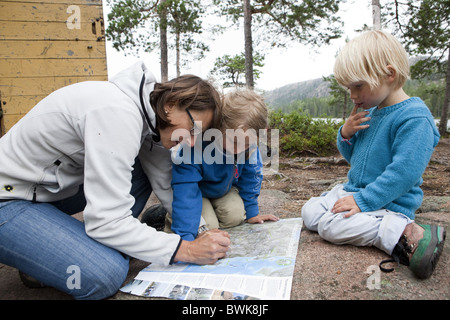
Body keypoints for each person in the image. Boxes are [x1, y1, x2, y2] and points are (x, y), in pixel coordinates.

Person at [0, 61, 230, 299]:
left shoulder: (152, 119)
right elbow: (105, 221)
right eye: (192, 129)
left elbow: (165, 182)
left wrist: (201, 230)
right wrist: (187, 250)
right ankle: (49, 253)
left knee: (143, 167)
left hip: (49, 190)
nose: (191, 142)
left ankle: (82, 243)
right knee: (106, 272)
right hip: (8, 198)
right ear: (171, 105)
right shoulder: (117, 112)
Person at [301, 30, 445, 279]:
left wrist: (363, 200)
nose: (353, 96)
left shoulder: (414, 117)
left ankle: (407, 232)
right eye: (349, 88)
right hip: (356, 191)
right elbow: (356, 158)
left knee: (330, 228)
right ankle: (357, 214)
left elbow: (405, 173)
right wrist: (346, 134)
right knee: (309, 213)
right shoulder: (372, 112)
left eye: (358, 86)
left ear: (389, 74)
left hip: (388, 203)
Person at [165, 89, 279, 241]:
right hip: (195, 191)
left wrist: (252, 213)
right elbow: (186, 189)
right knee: (207, 227)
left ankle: (213, 212)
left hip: (223, 190)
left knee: (235, 216)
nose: (238, 150)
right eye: (233, 141)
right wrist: (185, 239)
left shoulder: (250, 146)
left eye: (245, 144)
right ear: (218, 127)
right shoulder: (195, 145)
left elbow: (251, 177)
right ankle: (168, 215)